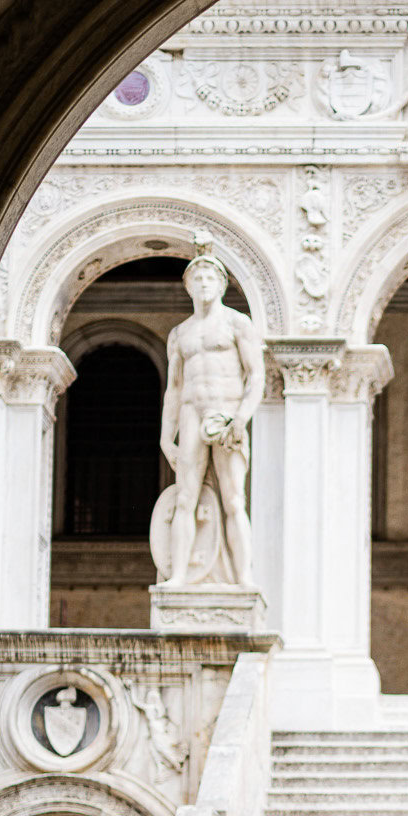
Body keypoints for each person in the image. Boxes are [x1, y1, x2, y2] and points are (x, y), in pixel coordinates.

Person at [161, 240, 264, 587]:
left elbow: (256, 376)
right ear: (188, 286)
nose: (204, 284)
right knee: (185, 497)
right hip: (192, 411)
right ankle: (178, 575)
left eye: (210, 278)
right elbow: (173, 389)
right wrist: (165, 437)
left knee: (235, 499)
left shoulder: (237, 324)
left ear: (221, 284)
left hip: (226, 413)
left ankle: (245, 576)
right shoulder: (180, 334)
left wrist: (241, 417)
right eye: (197, 279)